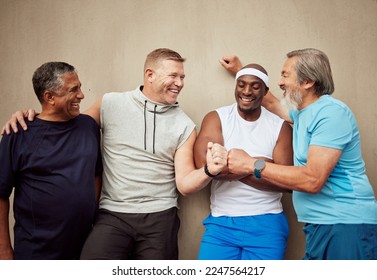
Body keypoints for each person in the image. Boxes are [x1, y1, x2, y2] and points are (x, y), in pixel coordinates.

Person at [2, 48, 228, 260]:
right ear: (150, 75)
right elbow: (62, 121)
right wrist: (28, 117)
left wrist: (209, 170)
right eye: (173, 76)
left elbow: (185, 184)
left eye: (183, 77)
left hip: (160, 215)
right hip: (113, 214)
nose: (180, 83)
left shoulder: (184, 125)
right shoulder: (110, 104)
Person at [223, 48, 377, 260]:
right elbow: (271, 103)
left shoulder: (331, 114)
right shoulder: (303, 113)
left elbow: (313, 180)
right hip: (320, 225)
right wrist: (243, 72)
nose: (280, 82)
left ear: (308, 82)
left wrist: (252, 164)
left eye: (286, 75)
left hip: (345, 224)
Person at [0, 62, 102, 260]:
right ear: (49, 97)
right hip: (36, 253)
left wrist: (91, 214)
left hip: (84, 249)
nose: (81, 95)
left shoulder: (88, 126)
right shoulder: (17, 134)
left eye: (80, 87)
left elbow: (96, 173)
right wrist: (3, 250)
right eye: (73, 90)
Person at [194, 63, 293, 260]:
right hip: (222, 223)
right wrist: (261, 164)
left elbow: (286, 182)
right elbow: (204, 167)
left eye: (255, 86)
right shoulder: (217, 118)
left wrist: (236, 164)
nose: (247, 91)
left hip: (268, 222)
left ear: (265, 91)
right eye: (241, 85)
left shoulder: (280, 127)